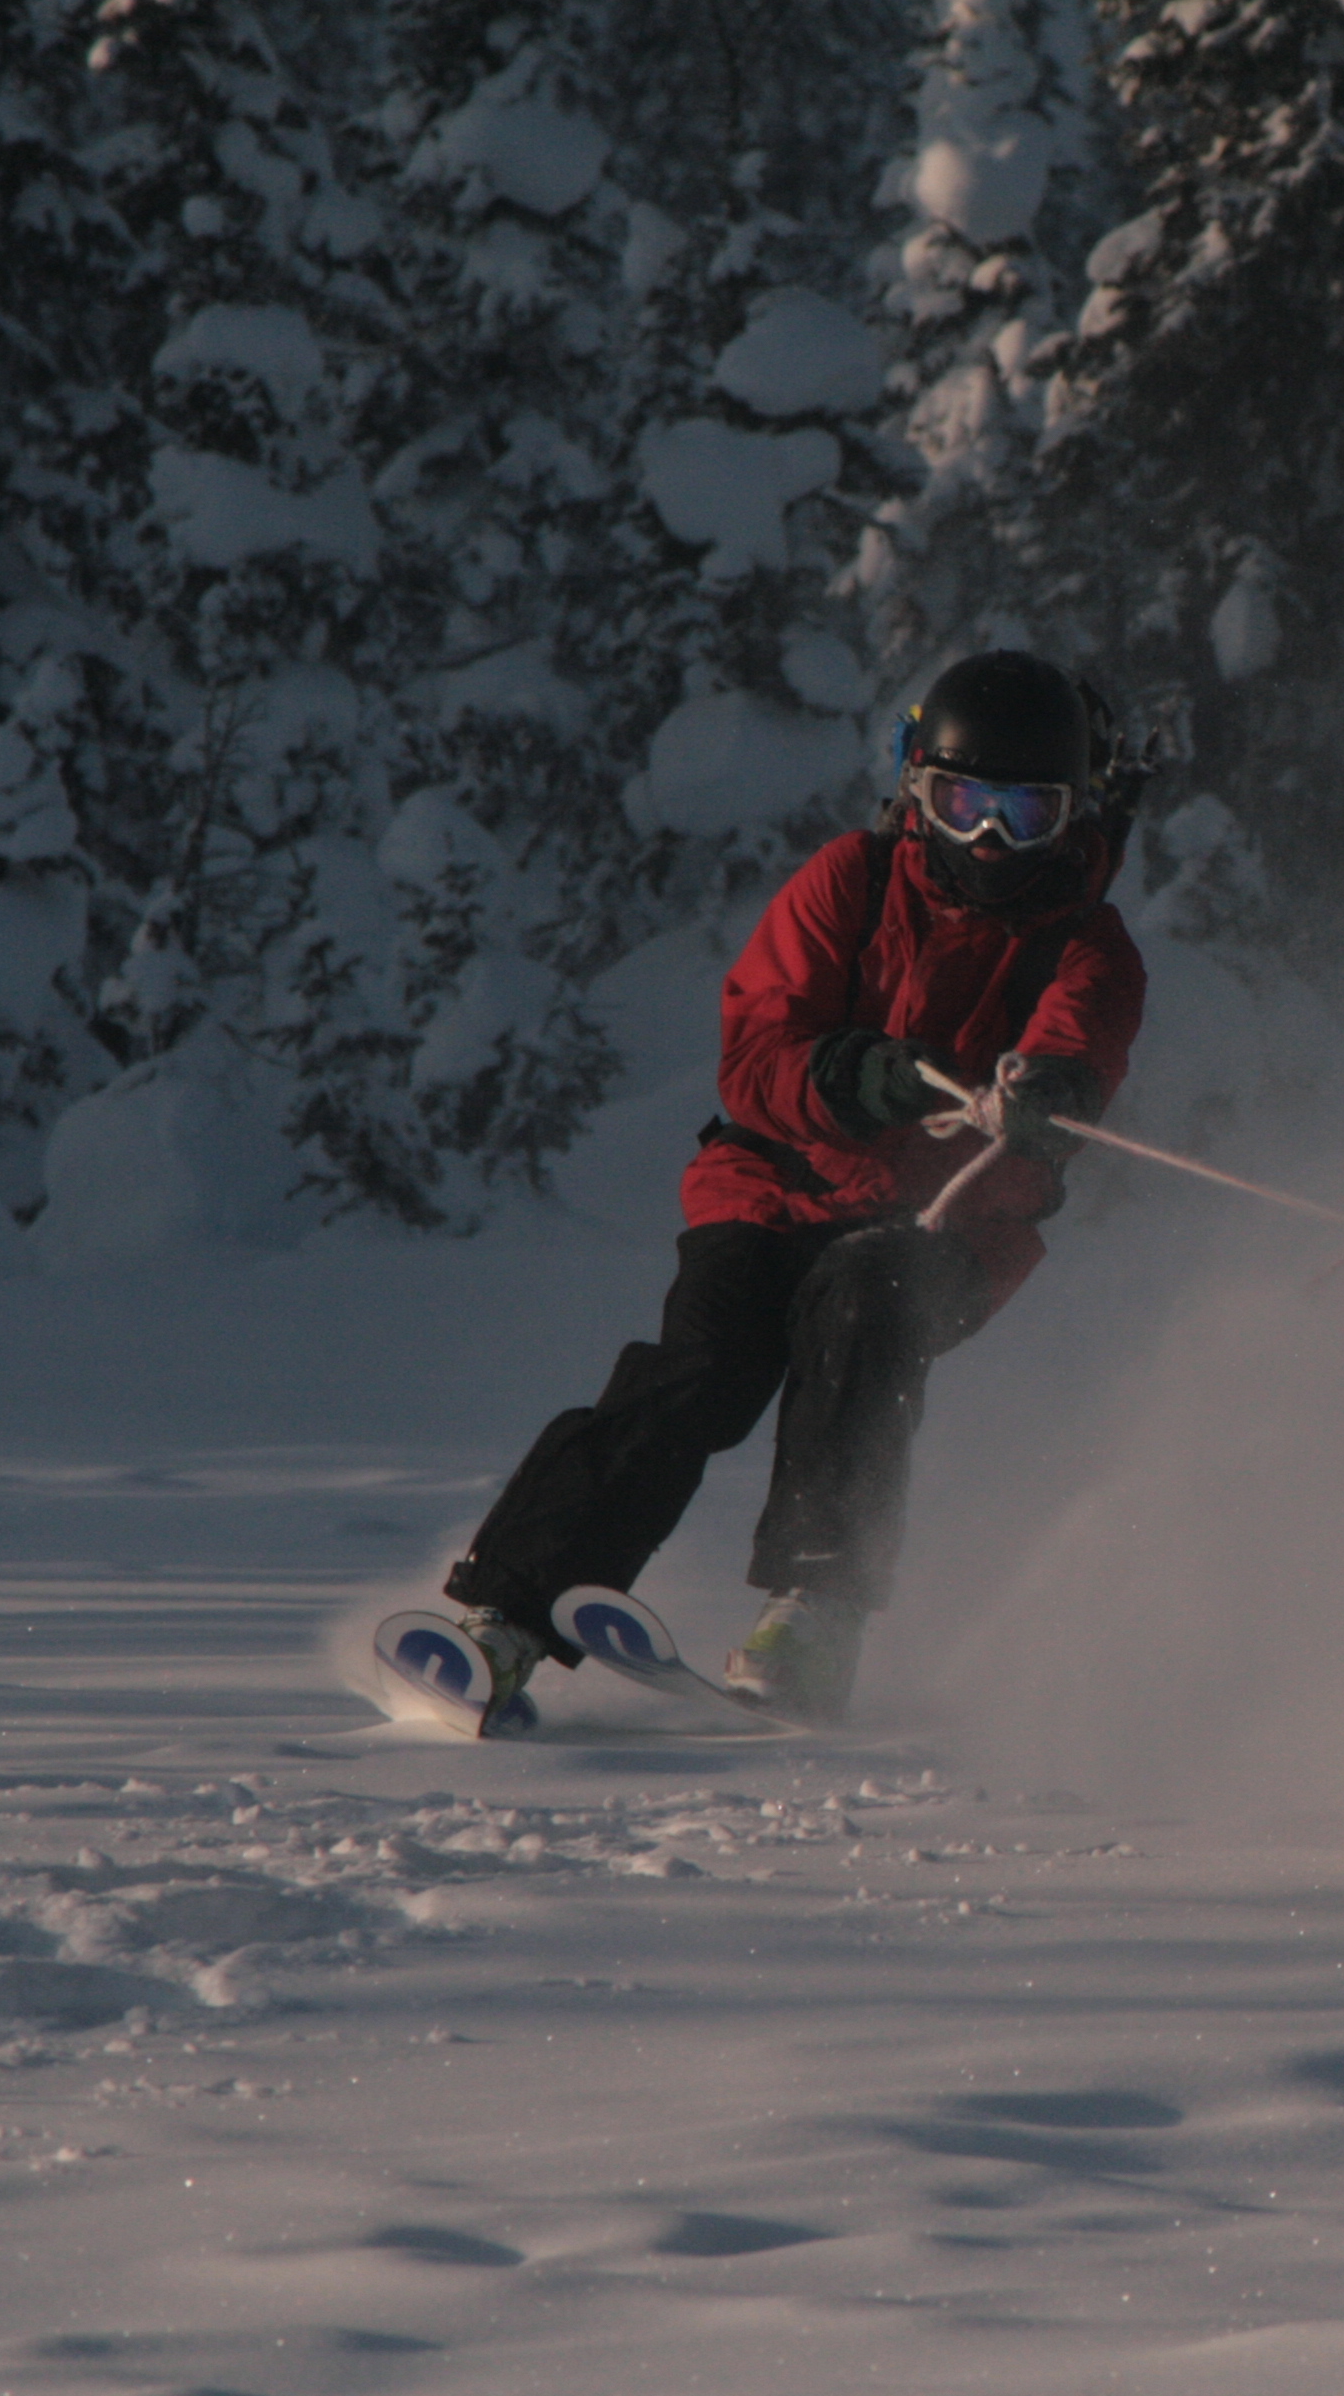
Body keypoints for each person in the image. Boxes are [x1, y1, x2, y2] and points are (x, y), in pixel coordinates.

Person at [436, 649, 1149, 1732]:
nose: (990, 840)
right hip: (775, 1190)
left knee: (865, 1305)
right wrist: (855, 1074)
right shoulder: (851, 883)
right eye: (964, 803)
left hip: (945, 1223)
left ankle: (817, 1612)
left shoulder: (1089, 945)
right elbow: (756, 1054)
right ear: (918, 787)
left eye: (1024, 813)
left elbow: (1082, 1036)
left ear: (1072, 816)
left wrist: (1048, 1090)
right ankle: (509, 1617)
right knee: (705, 1369)